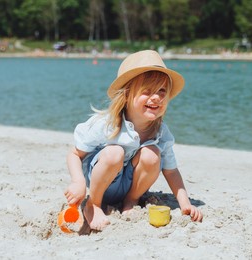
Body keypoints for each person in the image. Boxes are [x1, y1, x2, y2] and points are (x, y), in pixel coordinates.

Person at [65, 50, 203, 231]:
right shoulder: (107, 124)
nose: (156, 97)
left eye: (162, 91)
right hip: (101, 184)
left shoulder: (161, 132)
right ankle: (94, 205)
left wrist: (185, 203)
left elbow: (171, 171)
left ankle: (131, 201)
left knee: (152, 154)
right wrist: (78, 182)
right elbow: (74, 154)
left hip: (129, 188)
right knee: (115, 152)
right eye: (147, 91)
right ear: (127, 95)